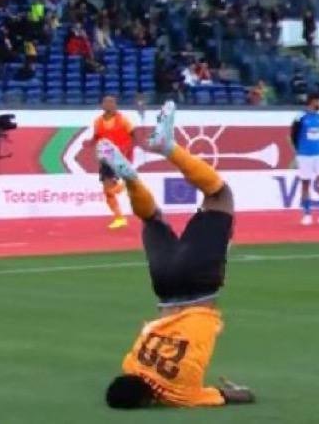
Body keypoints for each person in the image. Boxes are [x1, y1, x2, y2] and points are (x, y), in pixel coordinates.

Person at [100, 100, 254, 409]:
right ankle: (131, 179)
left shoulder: (182, 395)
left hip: (200, 288)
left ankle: (166, 146)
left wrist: (239, 391)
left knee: (220, 196)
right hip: (164, 286)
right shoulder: (132, 363)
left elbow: (242, 396)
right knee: (152, 218)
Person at [91, 96, 135, 230]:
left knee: (111, 189)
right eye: (106, 102)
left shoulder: (123, 120)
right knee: (108, 191)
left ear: (116, 104)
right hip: (105, 158)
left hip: (119, 156)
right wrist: (97, 153)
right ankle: (119, 218)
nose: (109, 104)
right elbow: (96, 139)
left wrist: (126, 150)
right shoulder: (98, 121)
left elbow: (133, 136)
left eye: (112, 102)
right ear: (102, 105)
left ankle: (126, 184)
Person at [291, 91, 319, 226]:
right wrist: (299, 150)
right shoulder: (300, 117)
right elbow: (293, 135)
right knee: (306, 184)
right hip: (304, 155)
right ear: (313, 101)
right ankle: (307, 214)